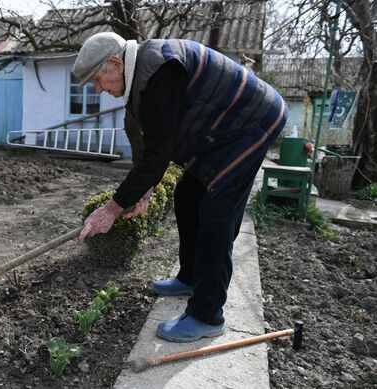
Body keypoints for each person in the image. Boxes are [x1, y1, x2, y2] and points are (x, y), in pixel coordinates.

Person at [73, 32, 287, 342]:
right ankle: (189, 276)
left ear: (114, 63)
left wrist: (110, 211)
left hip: (251, 125)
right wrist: (142, 190)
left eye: (96, 80)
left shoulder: (160, 70)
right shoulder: (140, 80)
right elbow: (147, 145)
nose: (98, 90)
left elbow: (158, 155)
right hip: (225, 129)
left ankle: (207, 314)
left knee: (217, 216)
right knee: (187, 194)